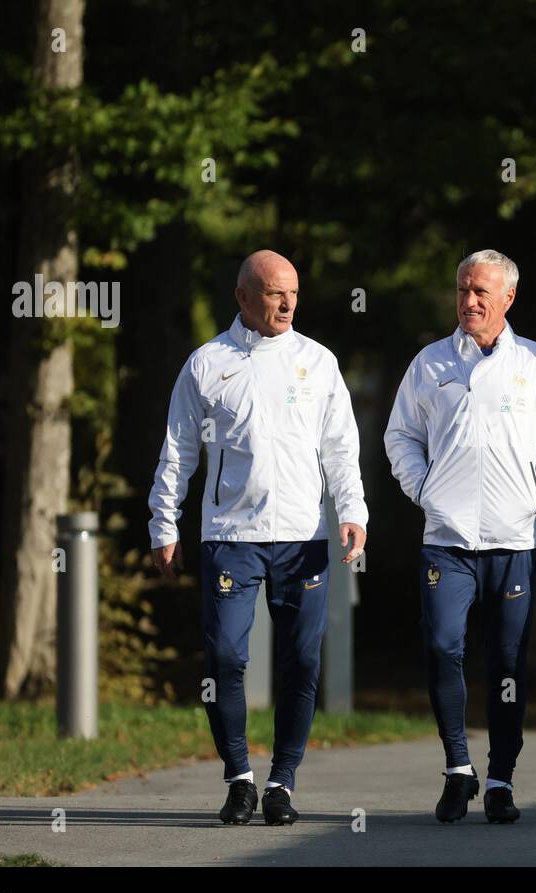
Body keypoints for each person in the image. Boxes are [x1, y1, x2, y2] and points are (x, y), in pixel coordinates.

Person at [148, 250, 368, 826]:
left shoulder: (318, 363)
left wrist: (352, 511)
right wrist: (163, 523)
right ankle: (239, 777)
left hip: (302, 537)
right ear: (244, 297)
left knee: (301, 660)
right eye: (274, 293)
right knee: (224, 655)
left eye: (293, 292)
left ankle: (282, 783)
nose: (288, 303)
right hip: (230, 534)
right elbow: (178, 451)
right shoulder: (207, 363)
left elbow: (341, 448)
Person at [384, 249, 536, 824]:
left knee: (508, 663)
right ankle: (457, 769)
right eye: (463, 290)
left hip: (514, 540)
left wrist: (534, 495)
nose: (469, 301)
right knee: (443, 646)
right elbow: (400, 436)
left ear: (508, 298)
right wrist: (426, 490)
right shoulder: (430, 363)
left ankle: (500, 779)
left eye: (481, 293)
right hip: (446, 539)